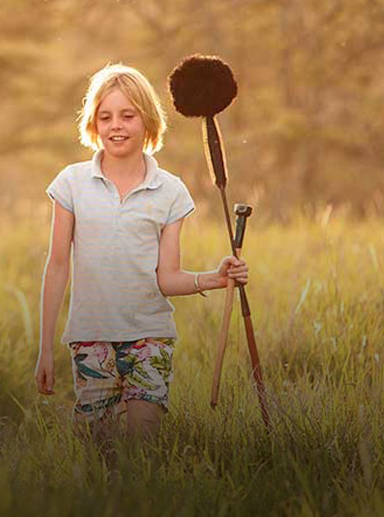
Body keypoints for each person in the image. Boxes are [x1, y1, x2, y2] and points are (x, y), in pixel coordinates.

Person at [31, 63, 249, 454]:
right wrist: (46, 347)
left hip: (149, 335)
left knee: (142, 447)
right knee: (101, 450)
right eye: (106, 116)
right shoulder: (72, 184)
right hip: (91, 336)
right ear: (93, 123)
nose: (117, 125)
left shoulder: (170, 192)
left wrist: (213, 278)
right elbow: (58, 265)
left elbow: (167, 278)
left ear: (147, 121)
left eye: (128, 116)